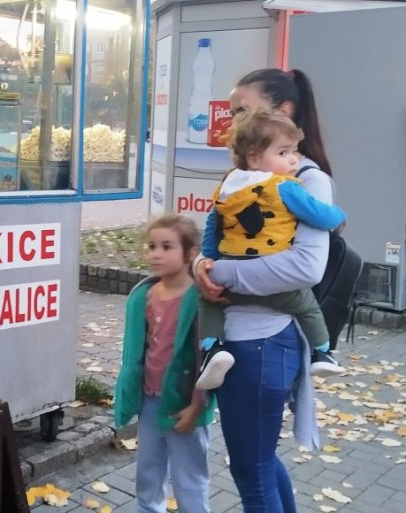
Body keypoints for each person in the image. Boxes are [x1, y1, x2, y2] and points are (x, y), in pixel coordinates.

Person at [195, 68, 331, 512]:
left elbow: (305, 267)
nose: (231, 119)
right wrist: (200, 266)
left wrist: (221, 273)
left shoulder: (306, 180)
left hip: (263, 340)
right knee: (259, 463)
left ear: (281, 111)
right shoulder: (246, 174)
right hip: (243, 337)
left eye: (241, 110)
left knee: (251, 473)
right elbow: (214, 237)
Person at [194, 108, 346, 391]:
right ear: (254, 157)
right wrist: (338, 216)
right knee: (307, 305)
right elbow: (318, 215)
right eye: (284, 152)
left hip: (228, 286)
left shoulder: (227, 186)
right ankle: (322, 352)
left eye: (294, 151)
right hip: (276, 285)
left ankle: (212, 349)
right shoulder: (284, 186)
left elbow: (213, 228)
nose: (294, 159)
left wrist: (209, 263)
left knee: (207, 301)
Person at [114, 214, 216, 513]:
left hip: (184, 403)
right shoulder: (144, 295)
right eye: (152, 246)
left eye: (167, 247)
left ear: (190, 252)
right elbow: (136, 351)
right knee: (148, 473)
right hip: (149, 400)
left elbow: (206, 360)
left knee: (189, 478)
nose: (156, 254)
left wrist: (197, 405)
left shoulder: (200, 300)